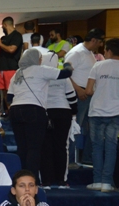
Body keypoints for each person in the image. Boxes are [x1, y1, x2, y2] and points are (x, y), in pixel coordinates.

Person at [7, 48, 72, 178]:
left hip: (15, 111)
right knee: (34, 148)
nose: (41, 60)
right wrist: (67, 64)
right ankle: (32, 180)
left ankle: (21, 179)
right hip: (34, 110)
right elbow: (65, 73)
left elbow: (9, 97)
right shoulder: (41, 70)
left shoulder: (17, 73)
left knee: (22, 148)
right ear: (35, 59)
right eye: (40, 58)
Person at [85, 38, 119, 192]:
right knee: (111, 147)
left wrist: (101, 93)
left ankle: (97, 181)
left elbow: (88, 90)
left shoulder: (98, 65)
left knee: (97, 147)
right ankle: (107, 182)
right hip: (115, 112)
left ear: (107, 50)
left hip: (96, 111)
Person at [65, 29, 106, 165]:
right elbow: (65, 74)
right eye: (100, 41)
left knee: (90, 128)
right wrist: (78, 89)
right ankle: (71, 160)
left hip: (88, 95)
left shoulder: (89, 53)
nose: (101, 45)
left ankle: (87, 158)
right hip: (78, 94)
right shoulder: (76, 52)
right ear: (93, 40)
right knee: (74, 127)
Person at [41, 71, 79, 187]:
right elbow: (71, 96)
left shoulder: (41, 76)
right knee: (62, 147)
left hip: (45, 112)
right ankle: (61, 180)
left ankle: (46, 181)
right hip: (63, 112)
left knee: (45, 147)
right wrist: (74, 111)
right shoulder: (64, 77)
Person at [0, 17, 24, 114]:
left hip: (11, 68)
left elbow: (12, 49)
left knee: (11, 91)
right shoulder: (4, 38)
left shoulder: (17, 35)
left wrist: (0, 44)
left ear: (5, 25)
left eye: (2, 26)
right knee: (4, 92)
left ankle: (14, 112)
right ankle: (8, 111)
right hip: (2, 69)